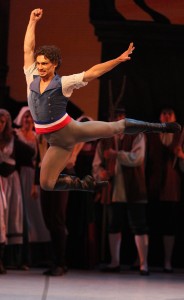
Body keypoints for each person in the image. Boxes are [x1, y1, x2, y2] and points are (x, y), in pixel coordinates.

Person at [24, 8, 181, 193]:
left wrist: (117, 59)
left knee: (116, 127)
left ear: (55, 64)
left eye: (45, 64)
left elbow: (93, 72)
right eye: (39, 63)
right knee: (46, 184)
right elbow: (28, 49)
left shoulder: (63, 83)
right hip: (57, 142)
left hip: (71, 130)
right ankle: (84, 184)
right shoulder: (31, 75)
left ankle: (159, 127)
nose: (40, 67)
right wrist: (32, 21)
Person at [92, 108, 149, 275]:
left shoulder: (137, 134)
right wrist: (100, 173)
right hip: (113, 189)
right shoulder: (105, 140)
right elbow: (97, 164)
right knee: (113, 225)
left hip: (134, 187)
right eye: (115, 117)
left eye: (121, 117)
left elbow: (137, 158)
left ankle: (143, 264)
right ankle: (114, 262)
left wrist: (117, 154)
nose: (119, 120)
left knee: (139, 226)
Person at [146, 108, 184, 272]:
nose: (167, 116)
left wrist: (181, 156)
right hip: (154, 185)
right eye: (164, 113)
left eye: (170, 113)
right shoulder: (152, 134)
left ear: (175, 117)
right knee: (149, 223)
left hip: (171, 186)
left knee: (169, 225)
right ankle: (143, 260)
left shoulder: (180, 136)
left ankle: (167, 261)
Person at [14, 107, 50, 269]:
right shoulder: (16, 136)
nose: (28, 120)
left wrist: (36, 184)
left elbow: (39, 161)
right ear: (21, 118)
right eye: (25, 117)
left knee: (36, 215)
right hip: (18, 176)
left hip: (32, 179)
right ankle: (20, 255)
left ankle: (37, 255)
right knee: (21, 214)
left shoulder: (37, 137)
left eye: (30, 117)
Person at [0, 109, 35, 269]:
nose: (0, 125)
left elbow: (30, 152)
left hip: (12, 181)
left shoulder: (12, 139)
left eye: (2, 122)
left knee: (14, 217)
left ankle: (15, 259)